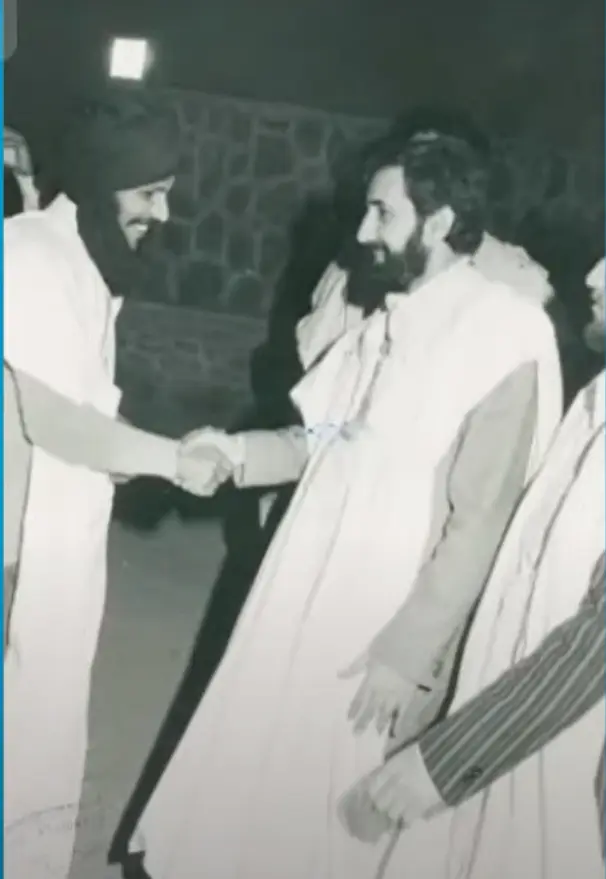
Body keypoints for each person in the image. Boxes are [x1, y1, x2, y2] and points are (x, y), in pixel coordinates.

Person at [128, 126, 563, 878]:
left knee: (323, 812)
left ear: (438, 221)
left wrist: (405, 654)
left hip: (375, 618)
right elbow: (329, 434)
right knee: (252, 776)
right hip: (301, 580)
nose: (362, 232)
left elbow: (480, 519)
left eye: (381, 213)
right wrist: (235, 453)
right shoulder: (387, 318)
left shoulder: (506, 332)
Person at [3, 90, 225, 879]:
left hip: (55, 533)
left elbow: (88, 402)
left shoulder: (84, 259)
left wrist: (137, 447)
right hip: (15, 544)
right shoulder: (29, 255)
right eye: (149, 193)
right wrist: (170, 459)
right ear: (103, 184)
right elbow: (55, 420)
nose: (162, 213)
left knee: (44, 723)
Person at [341, 257, 605, 877]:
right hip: (516, 728)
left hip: (557, 754)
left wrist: (448, 760)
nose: (592, 276)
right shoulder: (596, 394)